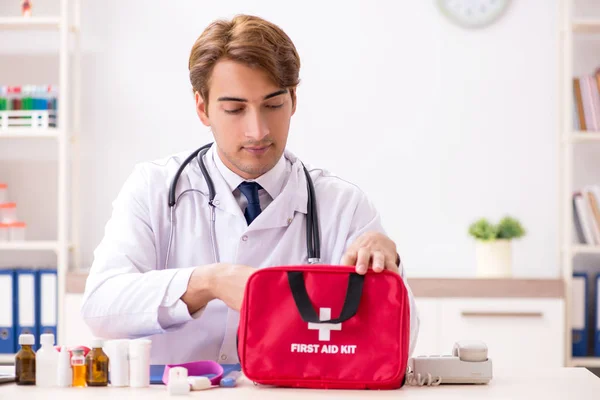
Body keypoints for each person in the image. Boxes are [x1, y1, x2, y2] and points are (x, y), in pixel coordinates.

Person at [80, 14, 419, 365]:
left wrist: (387, 270)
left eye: (273, 105)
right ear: (202, 107)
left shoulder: (342, 205)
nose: (257, 131)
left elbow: (400, 341)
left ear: (293, 101)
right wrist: (206, 282)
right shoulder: (154, 187)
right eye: (234, 109)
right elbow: (100, 307)